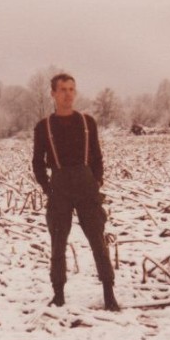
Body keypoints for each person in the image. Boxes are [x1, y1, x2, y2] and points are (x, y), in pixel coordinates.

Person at [32, 73, 120, 311]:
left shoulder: (87, 122)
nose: (68, 94)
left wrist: (96, 182)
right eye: (62, 89)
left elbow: (97, 157)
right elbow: (37, 163)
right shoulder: (43, 127)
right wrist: (48, 188)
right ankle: (58, 294)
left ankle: (109, 294)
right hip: (59, 187)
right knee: (58, 242)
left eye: (72, 89)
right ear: (53, 94)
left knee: (97, 240)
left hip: (86, 186)